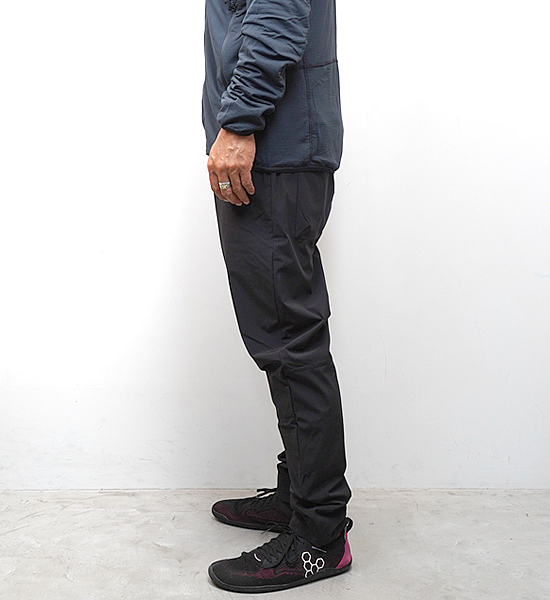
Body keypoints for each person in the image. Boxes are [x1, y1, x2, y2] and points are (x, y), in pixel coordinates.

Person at [202, 0, 352, 592]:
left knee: (290, 345)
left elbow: (278, 13)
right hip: (281, 146)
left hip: (273, 148)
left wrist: (239, 122)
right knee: (287, 338)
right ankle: (299, 497)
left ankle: (319, 537)